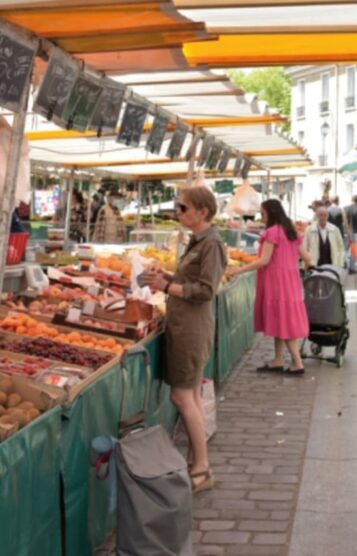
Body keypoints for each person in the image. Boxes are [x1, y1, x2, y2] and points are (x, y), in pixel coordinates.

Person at [145, 186, 227, 492]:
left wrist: (167, 287)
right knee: (189, 395)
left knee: (181, 396)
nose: (178, 212)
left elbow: (206, 290)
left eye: (183, 208)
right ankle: (197, 463)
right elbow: (190, 281)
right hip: (183, 323)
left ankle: (201, 467)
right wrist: (165, 277)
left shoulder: (212, 244)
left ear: (202, 211)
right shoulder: (198, 241)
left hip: (192, 327)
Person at [232, 199, 314, 376]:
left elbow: (264, 260)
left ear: (270, 213)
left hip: (276, 282)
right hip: (290, 282)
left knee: (284, 321)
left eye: (263, 213)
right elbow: (307, 257)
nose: (261, 216)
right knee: (282, 319)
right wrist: (305, 267)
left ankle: (297, 363)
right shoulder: (291, 232)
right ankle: (278, 360)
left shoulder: (272, 233)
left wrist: (239, 270)